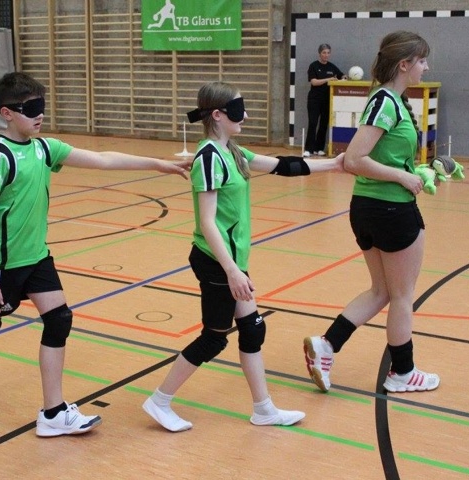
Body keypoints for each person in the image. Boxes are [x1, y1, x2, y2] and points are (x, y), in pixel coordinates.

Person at [0, 72, 191, 435]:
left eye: (41, 106)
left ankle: (53, 412)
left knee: (59, 320)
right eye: (30, 108)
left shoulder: (44, 149)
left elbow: (102, 159)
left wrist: (157, 164)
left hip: (36, 257)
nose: (39, 114)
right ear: (7, 113)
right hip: (2, 263)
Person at [142, 81, 345, 432]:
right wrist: (232, 271)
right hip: (217, 261)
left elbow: (283, 166)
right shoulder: (209, 157)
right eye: (238, 110)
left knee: (252, 330)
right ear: (217, 115)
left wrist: (334, 165)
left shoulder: (232, 151)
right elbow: (207, 223)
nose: (246, 115)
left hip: (232, 261)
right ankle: (159, 401)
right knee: (214, 337)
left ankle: (264, 409)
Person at [303, 31, 440, 395]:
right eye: (422, 60)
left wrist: (420, 172)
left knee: (381, 291)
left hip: (371, 208)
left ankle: (327, 345)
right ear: (404, 65)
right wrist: (402, 177)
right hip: (389, 210)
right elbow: (354, 159)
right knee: (402, 296)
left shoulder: (392, 101)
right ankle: (403, 372)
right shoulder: (385, 101)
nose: (426, 67)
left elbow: (384, 157)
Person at [304, 43, 345, 158]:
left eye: (328, 53)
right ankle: (309, 149)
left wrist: (344, 78)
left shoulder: (332, 67)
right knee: (313, 123)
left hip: (327, 100)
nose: (326, 55)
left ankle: (319, 148)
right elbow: (314, 82)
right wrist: (329, 79)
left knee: (324, 124)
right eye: (324, 53)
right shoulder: (313, 66)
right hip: (314, 99)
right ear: (319, 53)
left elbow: (342, 75)